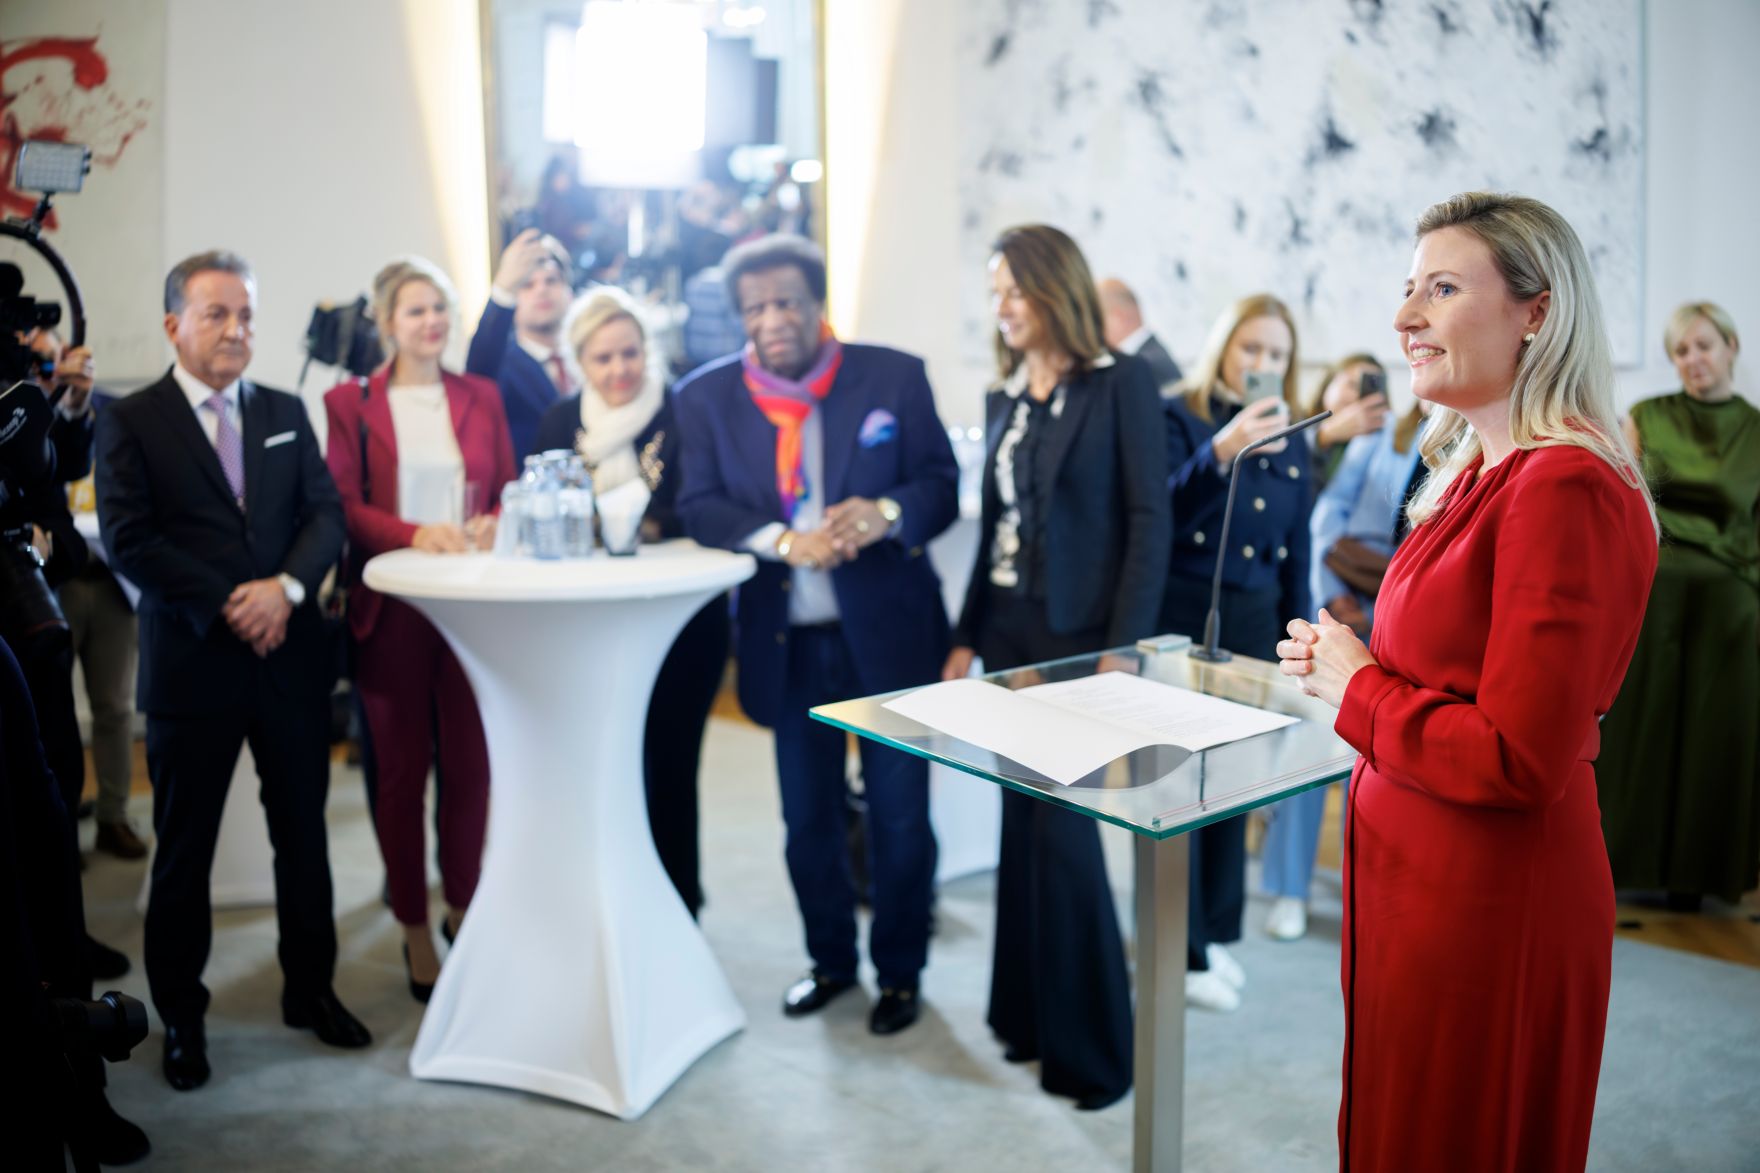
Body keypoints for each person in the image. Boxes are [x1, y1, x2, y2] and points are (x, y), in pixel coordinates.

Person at [1277, 191, 1658, 1172]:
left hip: (1489, 903)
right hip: (1419, 890)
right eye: (1409, 289)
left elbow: (1518, 757)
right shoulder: (1478, 472)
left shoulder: (1563, 484)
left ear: (1537, 310)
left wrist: (1358, 687)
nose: (1404, 317)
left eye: (1440, 290)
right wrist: (1348, 662)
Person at [96, 250, 369, 1092]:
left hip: (289, 661)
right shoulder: (131, 419)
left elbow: (325, 514)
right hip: (193, 665)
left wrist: (285, 589)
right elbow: (131, 539)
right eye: (216, 313)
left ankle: (310, 988)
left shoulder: (284, 409)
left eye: (245, 314)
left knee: (304, 837)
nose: (235, 329)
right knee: (185, 851)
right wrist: (229, 602)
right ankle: (181, 1016)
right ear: (173, 323)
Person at [675, 234, 958, 1036]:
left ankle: (900, 973)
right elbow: (699, 504)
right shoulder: (706, 397)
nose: (773, 319)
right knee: (808, 821)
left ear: (817, 304)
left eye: (787, 302)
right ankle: (831, 961)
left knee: (900, 817)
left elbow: (940, 483)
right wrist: (780, 539)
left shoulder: (893, 377)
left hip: (891, 637)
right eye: (755, 307)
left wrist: (887, 512)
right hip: (788, 644)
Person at [943, 225, 1169, 1111]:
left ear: (1052, 288)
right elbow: (994, 530)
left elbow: (1147, 520)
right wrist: (964, 633)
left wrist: (1123, 647)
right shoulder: (1005, 396)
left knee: (1065, 832)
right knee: (1021, 823)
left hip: (1082, 642)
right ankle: (1025, 1020)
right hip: (1007, 632)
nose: (1000, 307)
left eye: (1012, 289)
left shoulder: (1122, 383)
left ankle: (1093, 1056)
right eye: (993, 291)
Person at [325, 256, 514, 1002]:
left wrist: (492, 520)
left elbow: (505, 487)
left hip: (471, 605)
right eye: (415, 310)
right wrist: (414, 534)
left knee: (471, 768)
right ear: (386, 323)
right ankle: (411, 924)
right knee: (402, 775)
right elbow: (344, 504)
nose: (431, 322)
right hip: (393, 606)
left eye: (440, 307)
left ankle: (463, 906)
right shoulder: (350, 401)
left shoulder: (481, 394)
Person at [532, 287, 730, 918]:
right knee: (600, 771)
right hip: (586, 626)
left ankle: (678, 908)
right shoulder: (559, 422)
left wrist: (638, 526)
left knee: (671, 768)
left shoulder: (682, 411)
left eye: (630, 353)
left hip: (680, 623)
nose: (620, 370)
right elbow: (542, 508)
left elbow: (704, 504)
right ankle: (609, 907)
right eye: (603, 358)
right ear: (579, 362)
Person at [1160, 292, 1313, 1012]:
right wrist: (1220, 451)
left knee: (1232, 788)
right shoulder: (1180, 415)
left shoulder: (1296, 434)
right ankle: (1180, 949)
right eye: (1250, 347)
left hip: (1253, 625)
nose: (1261, 363)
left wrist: (1298, 643)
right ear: (1224, 346)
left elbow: (1296, 550)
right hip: (1186, 619)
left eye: (1276, 353)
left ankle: (1214, 933)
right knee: (1181, 788)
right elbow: (1157, 515)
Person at [1597, 301, 1757, 909]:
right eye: (1681, 351)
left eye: (1703, 346)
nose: (1693, 360)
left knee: (1716, 733)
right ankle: (1621, 863)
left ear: (1731, 347)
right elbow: (1625, 499)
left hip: (1730, 599)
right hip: (1655, 593)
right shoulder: (1648, 415)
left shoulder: (1757, 430)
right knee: (1643, 725)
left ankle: (1697, 879)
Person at [1260, 392, 1429, 941]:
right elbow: (1326, 523)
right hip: (1351, 613)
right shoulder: (1382, 437)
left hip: (1417, 631)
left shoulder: (1485, 451)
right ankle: (1290, 888)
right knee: (1310, 742)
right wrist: (1334, 599)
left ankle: (1384, 899)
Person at [466, 227, 575, 460]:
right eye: (528, 285)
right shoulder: (500, 365)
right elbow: (477, 373)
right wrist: (503, 291)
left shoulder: (594, 358)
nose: (542, 290)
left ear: (569, 292)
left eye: (551, 280)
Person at [1300, 352, 1390, 485]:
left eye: (1369, 390)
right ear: (1329, 382)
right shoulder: (1294, 420)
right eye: (1352, 385)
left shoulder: (1383, 442)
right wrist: (1324, 436)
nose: (1358, 397)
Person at [1097, 277, 1182, 388]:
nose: (1095, 331)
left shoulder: (1145, 366)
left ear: (1118, 318)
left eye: (1097, 321)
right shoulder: (1148, 358)